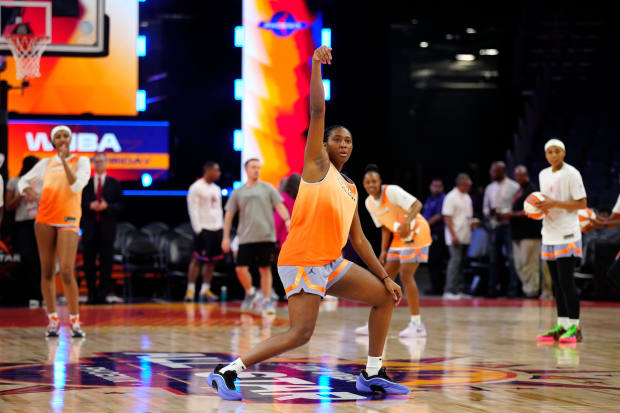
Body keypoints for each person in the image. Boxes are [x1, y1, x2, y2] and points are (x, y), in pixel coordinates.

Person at [208, 46, 406, 400]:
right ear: (324, 144)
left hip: (330, 263)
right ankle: (228, 371)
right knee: (300, 334)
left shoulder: (349, 187)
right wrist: (315, 64)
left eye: (348, 141)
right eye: (337, 139)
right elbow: (317, 110)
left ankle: (373, 373)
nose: (343, 144)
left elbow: (359, 240)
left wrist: (387, 276)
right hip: (301, 260)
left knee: (384, 297)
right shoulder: (317, 167)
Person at [18, 125, 89, 337]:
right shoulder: (46, 163)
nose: (62, 138)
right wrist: (33, 194)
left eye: (65, 135)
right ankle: (52, 321)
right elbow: (23, 181)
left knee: (66, 270)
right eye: (57, 136)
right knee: (47, 271)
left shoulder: (81, 161)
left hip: (68, 218)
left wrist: (65, 161)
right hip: (45, 218)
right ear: (53, 141)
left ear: (69, 139)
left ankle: (75, 322)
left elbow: (76, 187)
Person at [354, 164, 430, 338]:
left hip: (416, 231)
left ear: (380, 182)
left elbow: (417, 205)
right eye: (367, 182)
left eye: (374, 181)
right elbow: (385, 228)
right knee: (384, 278)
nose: (371, 184)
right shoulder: (368, 202)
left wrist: (405, 224)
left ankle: (417, 325)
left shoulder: (392, 191)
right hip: (398, 235)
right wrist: (383, 251)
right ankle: (374, 322)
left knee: (405, 276)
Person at [221, 158, 291, 315]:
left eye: (258, 167)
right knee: (240, 269)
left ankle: (266, 301)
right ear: (246, 169)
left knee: (264, 269)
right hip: (245, 237)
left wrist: (287, 220)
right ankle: (251, 293)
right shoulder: (238, 192)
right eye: (253, 167)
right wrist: (226, 237)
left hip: (266, 236)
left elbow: (280, 206)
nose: (256, 170)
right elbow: (229, 216)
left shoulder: (268, 188)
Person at [534, 139, 587, 344]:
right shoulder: (543, 174)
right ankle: (562, 326)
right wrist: (538, 209)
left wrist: (553, 203)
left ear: (564, 153)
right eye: (549, 152)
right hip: (548, 232)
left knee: (567, 281)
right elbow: (545, 202)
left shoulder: (572, 173)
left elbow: (582, 203)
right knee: (556, 283)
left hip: (568, 233)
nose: (553, 155)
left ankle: (576, 328)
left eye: (557, 151)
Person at [81, 152, 123, 304]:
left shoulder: (115, 183)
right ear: (93, 164)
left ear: (106, 163)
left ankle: (103, 294)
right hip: (90, 228)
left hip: (107, 228)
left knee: (106, 262)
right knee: (89, 262)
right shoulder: (86, 183)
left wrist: (107, 206)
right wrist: (89, 206)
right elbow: (80, 205)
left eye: (101, 161)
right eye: (96, 162)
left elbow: (121, 206)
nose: (98, 164)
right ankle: (91, 293)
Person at [4, 156, 42, 305]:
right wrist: (20, 194)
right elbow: (8, 206)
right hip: (22, 224)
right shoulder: (14, 182)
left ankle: (41, 295)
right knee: (27, 257)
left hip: (40, 222)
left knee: (41, 259)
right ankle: (30, 294)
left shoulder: (42, 181)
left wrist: (37, 196)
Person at [184, 162, 224, 302]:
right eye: (216, 170)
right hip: (202, 229)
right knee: (197, 260)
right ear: (208, 171)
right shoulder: (196, 187)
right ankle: (190, 290)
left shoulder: (217, 189)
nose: (219, 173)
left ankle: (205, 289)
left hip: (216, 228)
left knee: (211, 261)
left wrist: (221, 227)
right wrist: (197, 229)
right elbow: (192, 209)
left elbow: (219, 210)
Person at [483, 161, 520, 297]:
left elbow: (516, 206)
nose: (491, 174)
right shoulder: (489, 188)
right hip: (494, 226)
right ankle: (492, 290)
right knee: (493, 259)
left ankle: (512, 290)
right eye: (492, 171)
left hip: (509, 226)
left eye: (494, 171)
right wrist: (490, 213)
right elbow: (485, 208)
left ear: (502, 171)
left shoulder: (514, 186)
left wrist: (506, 213)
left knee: (511, 258)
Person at [505, 165, 543, 298]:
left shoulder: (532, 190)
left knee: (529, 263)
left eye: (519, 175)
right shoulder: (518, 191)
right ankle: (527, 287)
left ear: (525, 175)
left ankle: (531, 290)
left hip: (530, 233)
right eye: (515, 175)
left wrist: (512, 215)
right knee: (519, 264)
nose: (517, 178)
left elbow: (532, 210)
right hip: (517, 233)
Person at [442, 173, 476, 299]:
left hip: (465, 235)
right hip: (455, 236)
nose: (469, 187)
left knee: (462, 264)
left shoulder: (467, 197)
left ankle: (458, 290)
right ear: (460, 184)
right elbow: (447, 217)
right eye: (467, 185)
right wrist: (453, 235)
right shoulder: (451, 197)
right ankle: (449, 290)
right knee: (455, 263)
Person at [422, 178, 447, 295]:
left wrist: (425, 224)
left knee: (437, 262)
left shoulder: (442, 199)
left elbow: (439, 215)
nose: (436, 188)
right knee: (431, 262)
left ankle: (438, 288)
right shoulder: (429, 199)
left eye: (439, 186)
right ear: (430, 187)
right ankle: (434, 286)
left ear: (442, 188)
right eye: (434, 186)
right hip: (429, 234)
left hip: (438, 234)